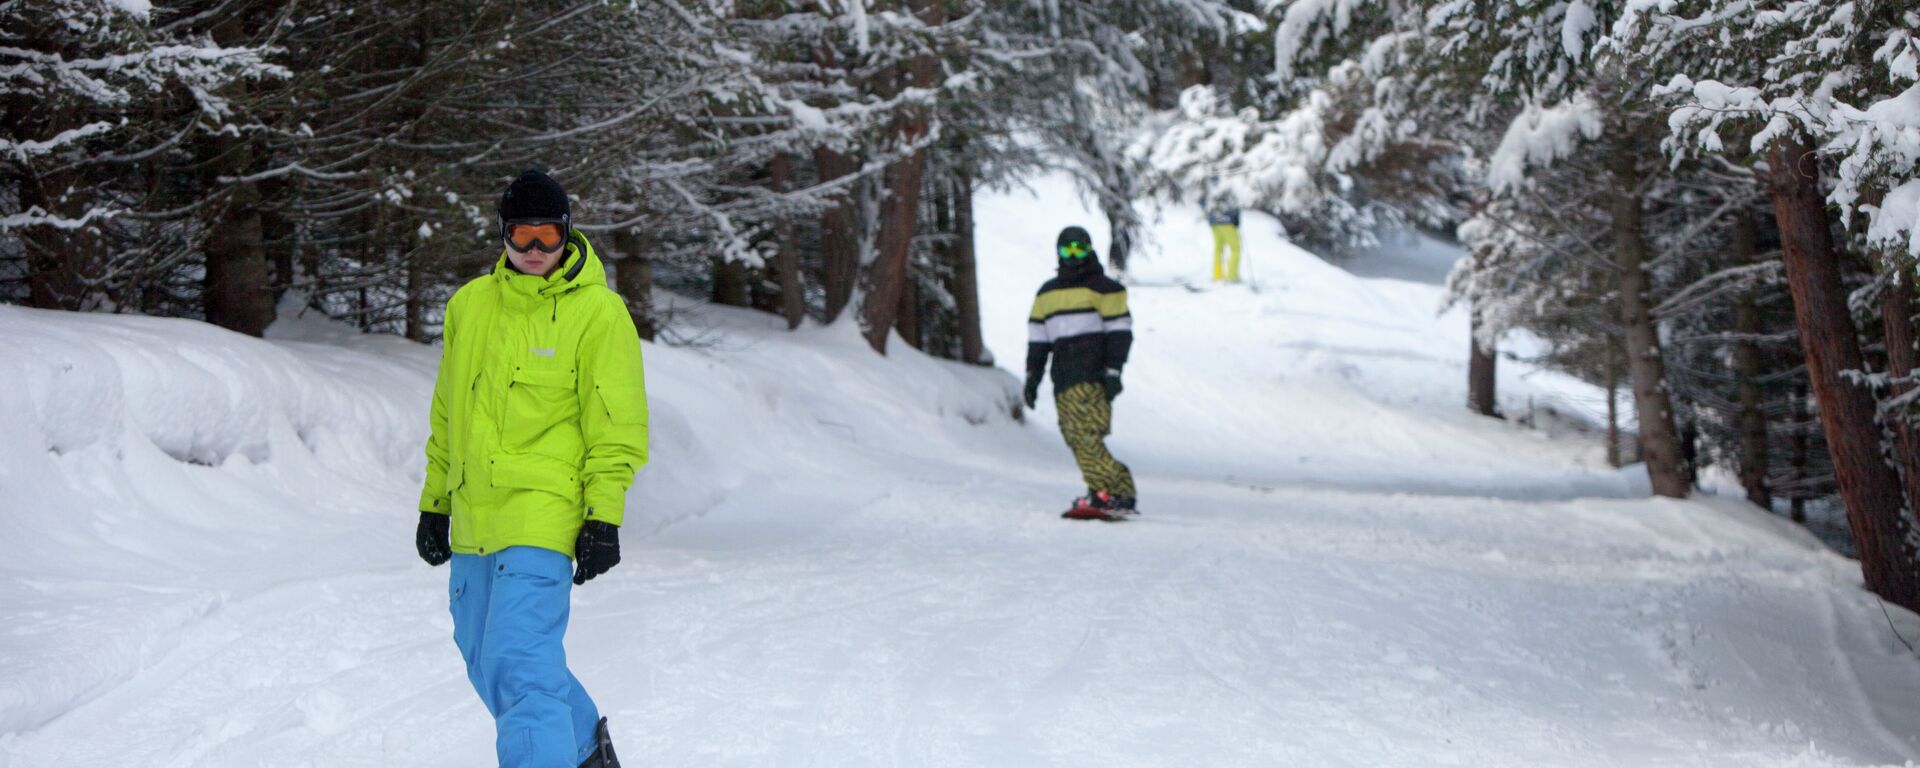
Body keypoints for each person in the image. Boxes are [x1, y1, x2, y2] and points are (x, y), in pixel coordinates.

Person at [415, 169, 647, 768]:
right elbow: (448, 415)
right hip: (472, 519)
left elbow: (616, 425)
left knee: (519, 662)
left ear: (567, 234)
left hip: (543, 516)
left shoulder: (598, 313)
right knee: (485, 660)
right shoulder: (470, 305)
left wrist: (604, 515)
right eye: (523, 236)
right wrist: (434, 502)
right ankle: (586, 754)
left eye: (547, 236)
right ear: (504, 235)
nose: (536, 250)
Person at [1024, 226, 1137, 519]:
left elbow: (1119, 332)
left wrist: (1113, 371)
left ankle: (1110, 490)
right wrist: (1032, 377)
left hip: (1094, 375)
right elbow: (1038, 340)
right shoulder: (1047, 293)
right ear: (1058, 253)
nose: (1073, 256)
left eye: (1079, 249)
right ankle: (1109, 490)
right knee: (1074, 436)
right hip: (1063, 377)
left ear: (1089, 250)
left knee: (1086, 435)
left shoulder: (1105, 289)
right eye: (1067, 250)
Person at [1207, 203, 1242, 283]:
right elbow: (1235, 203)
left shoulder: (1214, 190)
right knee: (1236, 249)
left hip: (1214, 221)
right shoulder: (1231, 191)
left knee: (1218, 249)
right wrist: (1236, 220)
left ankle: (1217, 274)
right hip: (1227, 221)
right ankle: (1232, 276)